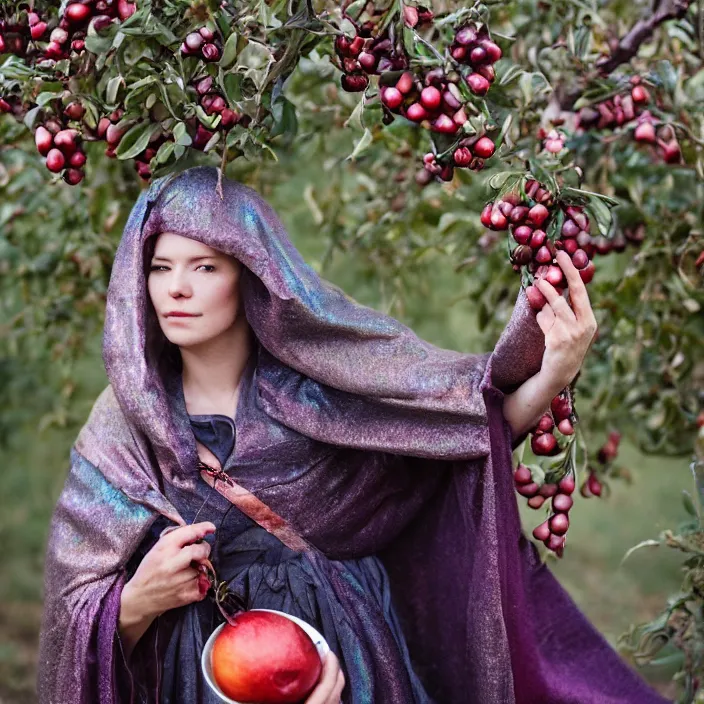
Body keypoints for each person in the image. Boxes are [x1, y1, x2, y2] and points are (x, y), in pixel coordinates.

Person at [37, 165, 671, 703]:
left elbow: (451, 442)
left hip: (350, 655)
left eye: (204, 266)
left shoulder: (321, 389)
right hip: (206, 673)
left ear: (250, 275)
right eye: (159, 267)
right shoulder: (124, 426)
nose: (176, 288)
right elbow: (73, 611)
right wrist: (136, 603)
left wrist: (554, 370)